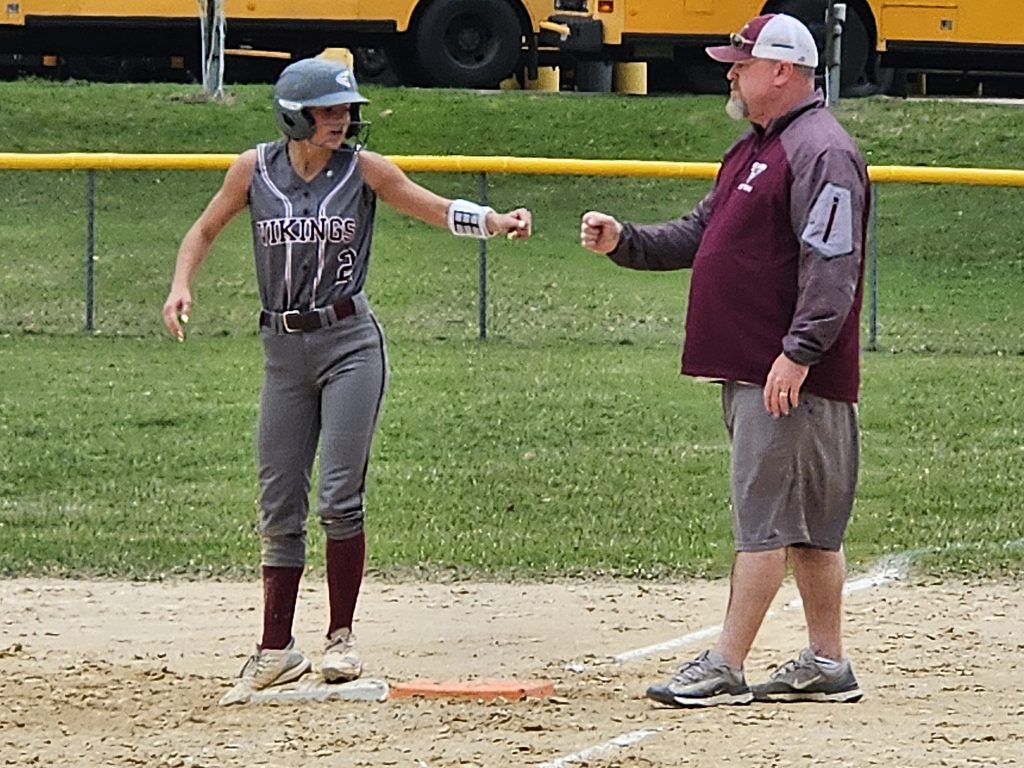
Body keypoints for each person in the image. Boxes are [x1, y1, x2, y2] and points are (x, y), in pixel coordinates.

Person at [162, 56, 532, 705]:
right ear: (293, 116)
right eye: (327, 111)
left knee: (338, 497)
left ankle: (340, 639)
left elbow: (433, 207)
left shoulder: (364, 170)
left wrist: (495, 221)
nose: (340, 120)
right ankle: (275, 649)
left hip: (349, 345)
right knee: (279, 503)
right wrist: (180, 284)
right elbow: (203, 228)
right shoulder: (253, 169)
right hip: (282, 350)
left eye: (343, 110)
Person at [579, 13, 868, 708]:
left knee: (766, 524)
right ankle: (827, 663)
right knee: (808, 531)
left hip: (787, 375)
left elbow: (832, 266)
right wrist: (626, 240)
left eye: (741, 62)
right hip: (764, 367)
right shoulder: (755, 148)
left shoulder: (820, 150)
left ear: (783, 71)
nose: (729, 72)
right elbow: (701, 232)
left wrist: (797, 354)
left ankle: (726, 664)